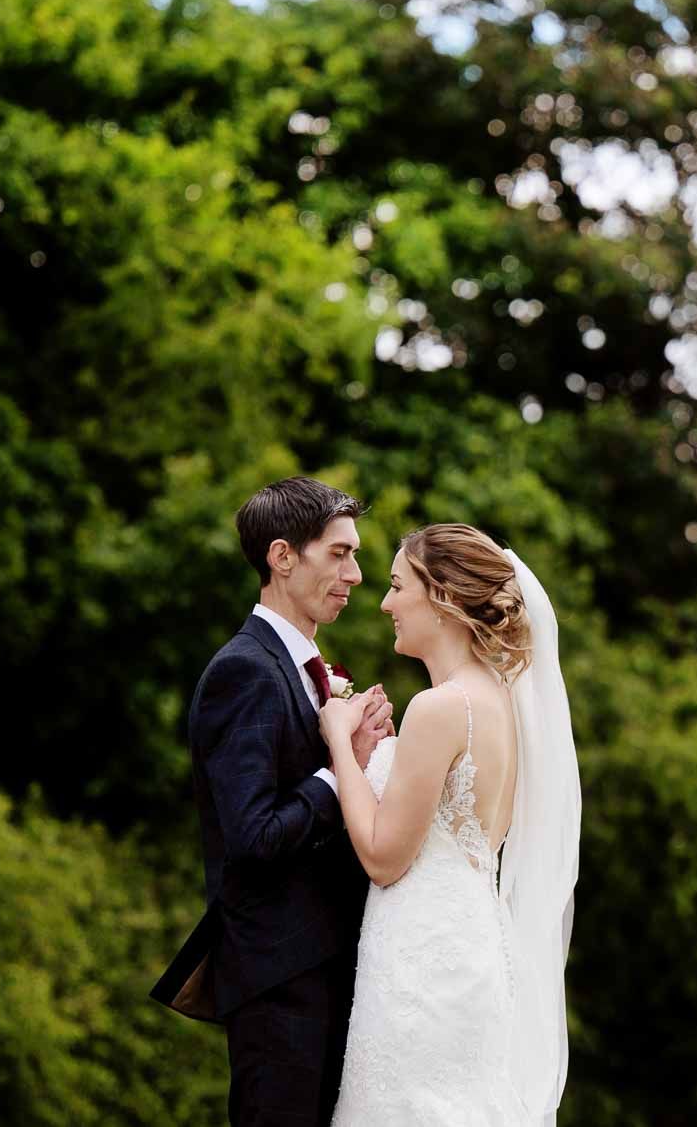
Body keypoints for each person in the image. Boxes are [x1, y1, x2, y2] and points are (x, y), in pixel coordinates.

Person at [321, 524, 580, 1126]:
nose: (384, 604)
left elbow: (385, 858)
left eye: (395, 586)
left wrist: (339, 743)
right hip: (470, 947)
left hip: (420, 957)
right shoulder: (501, 704)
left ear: (440, 597)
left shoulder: (440, 709)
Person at [155, 477, 394, 1127]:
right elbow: (254, 836)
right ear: (283, 556)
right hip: (281, 977)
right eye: (339, 553)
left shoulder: (309, 669)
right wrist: (344, 771)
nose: (357, 572)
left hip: (327, 967)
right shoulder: (246, 670)